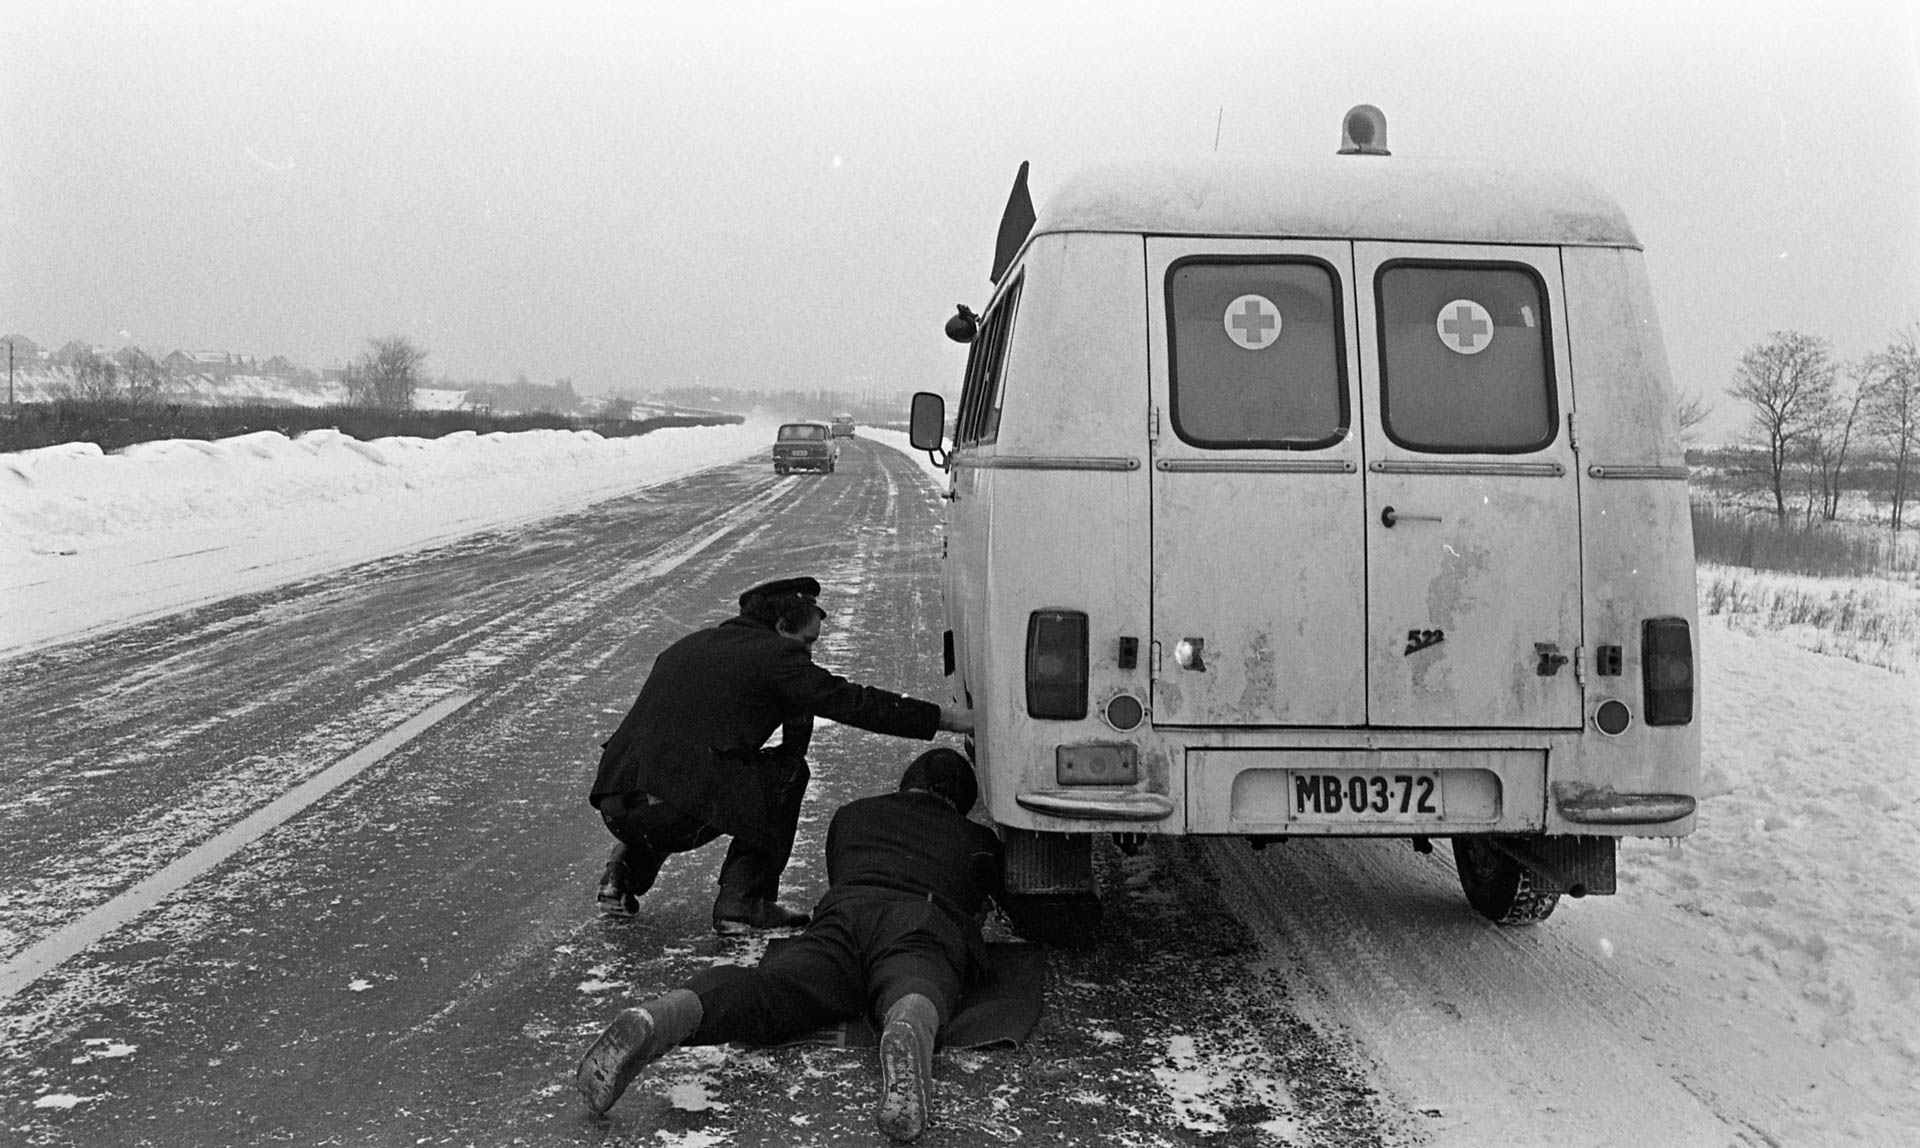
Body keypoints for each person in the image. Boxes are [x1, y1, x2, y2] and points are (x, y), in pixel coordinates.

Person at [575, 748, 1003, 1143]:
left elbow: (842, 870)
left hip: (843, 916)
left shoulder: (852, 816)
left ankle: (662, 1017)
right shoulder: (978, 841)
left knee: (772, 989)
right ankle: (907, 1030)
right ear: (962, 801)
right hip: (920, 920)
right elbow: (995, 901)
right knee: (916, 980)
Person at [590, 575, 972, 933]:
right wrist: (947, 719)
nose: (808, 653)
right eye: (807, 642)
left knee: (679, 773)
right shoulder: (774, 656)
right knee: (786, 775)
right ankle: (744, 900)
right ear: (781, 628)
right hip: (668, 813)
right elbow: (852, 702)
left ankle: (621, 873)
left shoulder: (693, 644)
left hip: (616, 803)